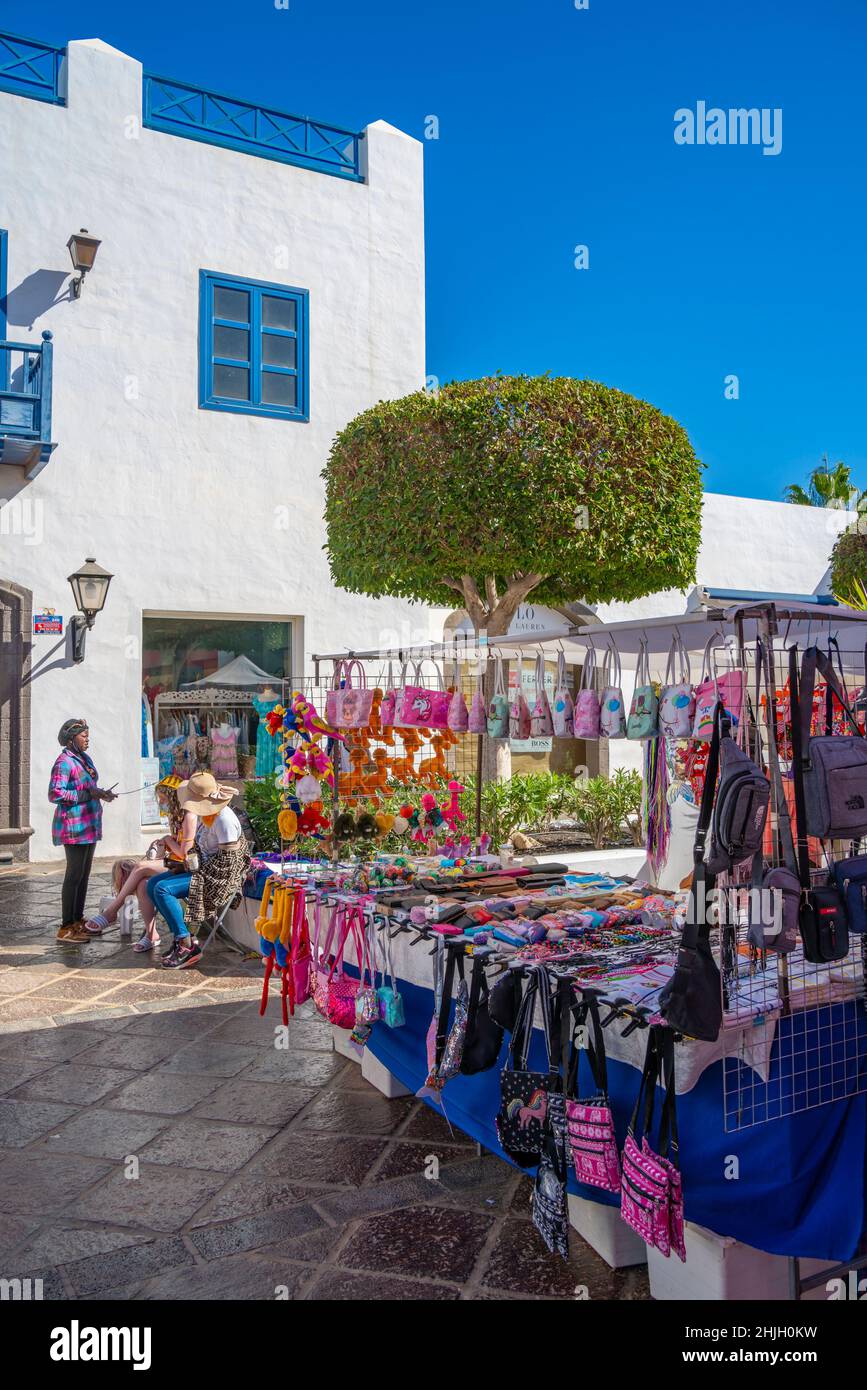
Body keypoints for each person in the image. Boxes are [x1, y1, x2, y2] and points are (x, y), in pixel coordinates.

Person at [83, 776, 198, 952]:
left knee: (139, 867)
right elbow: (174, 850)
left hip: (186, 866)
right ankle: (152, 935)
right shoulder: (175, 816)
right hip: (173, 863)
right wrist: (163, 846)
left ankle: (112, 911)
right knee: (143, 884)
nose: (161, 802)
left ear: (173, 797)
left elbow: (184, 854)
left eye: (163, 798)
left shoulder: (189, 816)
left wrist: (167, 839)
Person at [146, 771, 241, 969]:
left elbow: (228, 865)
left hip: (217, 877)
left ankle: (186, 943)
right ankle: (182, 936)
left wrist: (197, 870)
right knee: (152, 884)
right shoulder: (205, 816)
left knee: (163, 889)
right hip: (203, 869)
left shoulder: (224, 820)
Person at [49, 719, 117, 943]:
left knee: (84, 875)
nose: (87, 739)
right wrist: (88, 795)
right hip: (74, 827)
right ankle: (66, 927)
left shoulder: (84, 759)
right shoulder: (64, 762)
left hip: (88, 824)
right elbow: (55, 794)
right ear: (71, 740)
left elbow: (87, 787)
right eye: (83, 736)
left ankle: (78, 920)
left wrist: (101, 793)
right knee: (73, 876)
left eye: (88, 735)